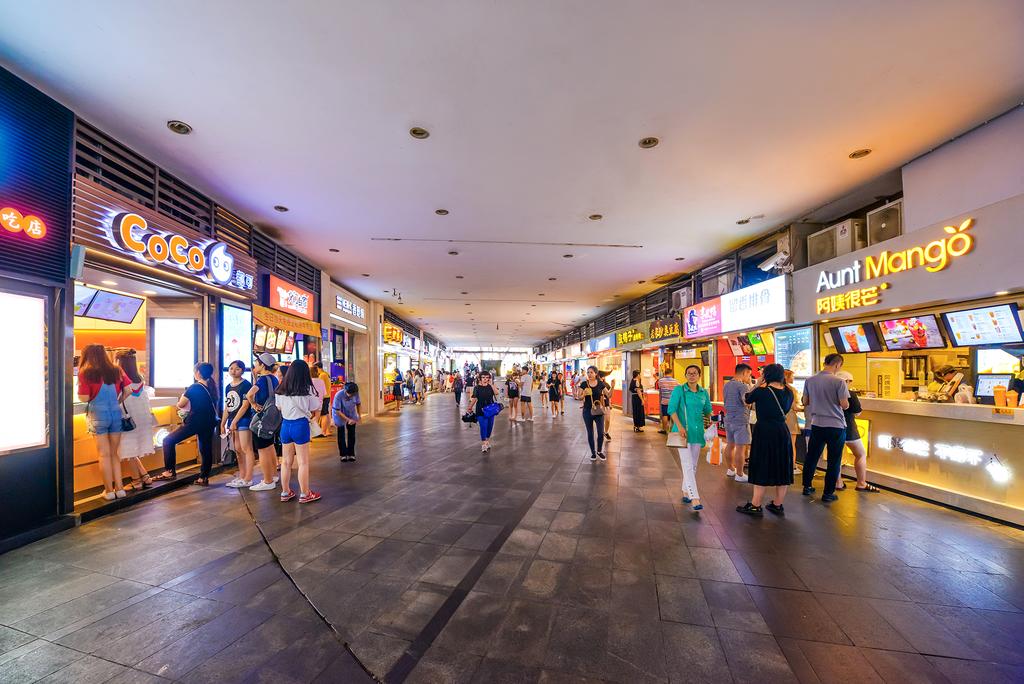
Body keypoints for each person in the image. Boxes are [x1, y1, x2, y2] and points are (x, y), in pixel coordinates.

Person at [737, 364, 794, 516]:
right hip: (782, 431)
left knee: (762, 464)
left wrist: (757, 384)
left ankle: (755, 505)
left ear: (766, 375)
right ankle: (777, 504)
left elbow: (746, 399)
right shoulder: (789, 392)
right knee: (782, 466)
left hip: (764, 431)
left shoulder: (761, 392)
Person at [77, 344, 130, 500]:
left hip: (98, 415)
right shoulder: (116, 370)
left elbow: (84, 398)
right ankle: (120, 489)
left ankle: (109, 492)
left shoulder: (85, 372)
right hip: (115, 413)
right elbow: (128, 390)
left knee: (104, 455)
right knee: (114, 454)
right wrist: (117, 401)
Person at [158, 362, 218, 486]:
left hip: (194, 422)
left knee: (168, 440)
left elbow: (180, 404)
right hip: (209, 422)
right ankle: (203, 477)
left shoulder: (194, 387)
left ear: (198, 373)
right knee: (205, 449)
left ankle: (169, 471)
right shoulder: (212, 387)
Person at [801, 353, 851, 502]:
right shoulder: (839, 382)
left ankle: (807, 486)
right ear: (837, 364)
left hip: (817, 423)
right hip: (836, 425)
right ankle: (828, 493)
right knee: (834, 460)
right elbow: (844, 405)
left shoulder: (810, 380)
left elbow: (805, 401)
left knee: (812, 456)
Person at [667, 365, 713, 511]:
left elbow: (708, 410)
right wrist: (680, 426)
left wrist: (712, 421)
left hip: (698, 433)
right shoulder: (679, 390)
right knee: (687, 464)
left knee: (693, 465)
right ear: (685, 375)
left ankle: (686, 490)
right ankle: (695, 498)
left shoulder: (703, 393)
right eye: (689, 373)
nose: (692, 375)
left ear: (699, 375)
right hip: (683, 433)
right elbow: (671, 409)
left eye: (694, 373)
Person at [276, 360, 322, 503]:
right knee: (303, 462)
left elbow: (279, 407)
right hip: (300, 425)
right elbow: (315, 406)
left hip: (285, 425)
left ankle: (285, 492)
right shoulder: (307, 389)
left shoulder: (281, 389)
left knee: (286, 462)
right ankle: (305, 493)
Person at [114, 349, 156, 491]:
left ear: (119, 362)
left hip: (128, 418)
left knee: (128, 450)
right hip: (141, 417)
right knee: (131, 449)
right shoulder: (139, 378)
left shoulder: (120, 379)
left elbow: (117, 398)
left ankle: (136, 481)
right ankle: (145, 476)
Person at [835, 371, 879, 493]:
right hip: (848, 428)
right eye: (850, 381)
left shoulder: (829, 393)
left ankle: (838, 483)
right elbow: (857, 412)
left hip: (832, 428)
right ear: (846, 381)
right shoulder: (850, 394)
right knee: (860, 454)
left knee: (836, 456)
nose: (850, 383)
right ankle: (861, 483)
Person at [246, 352, 281, 492]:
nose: (255, 364)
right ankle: (274, 476)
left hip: (261, 419)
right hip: (271, 418)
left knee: (262, 450)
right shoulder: (273, 379)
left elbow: (249, 394)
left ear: (262, 365)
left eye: (257, 362)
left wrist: (253, 404)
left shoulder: (262, 380)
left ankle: (267, 481)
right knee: (269, 446)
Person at [222, 360, 255, 488]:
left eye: (237, 369)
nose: (233, 371)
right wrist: (223, 423)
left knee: (247, 448)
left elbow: (245, 405)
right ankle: (242, 475)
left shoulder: (246, 385)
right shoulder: (228, 387)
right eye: (231, 368)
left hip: (244, 419)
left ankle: (248, 478)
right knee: (238, 449)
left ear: (242, 370)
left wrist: (235, 421)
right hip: (232, 420)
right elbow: (228, 406)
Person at [723, 364, 754, 483]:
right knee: (741, 448)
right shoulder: (743, 386)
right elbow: (747, 402)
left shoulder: (727, 385)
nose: (749, 377)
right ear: (745, 372)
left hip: (728, 418)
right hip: (741, 420)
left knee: (730, 445)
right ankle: (740, 474)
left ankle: (730, 469)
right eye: (749, 374)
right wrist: (751, 387)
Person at [577, 366, 610, 462]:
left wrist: (612, 386)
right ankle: (593, 452)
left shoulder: (600, 383)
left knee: (600, 432)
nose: (589, 374)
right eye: (588, 372)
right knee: (590, 432)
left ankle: (599, 451)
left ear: (596, 373)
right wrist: (584, 394)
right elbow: (579, 397)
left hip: (598, 411)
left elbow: (608, 395)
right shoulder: (584, 384)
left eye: (591, 372)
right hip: (587, 411)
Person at [469, 370, 498, 452]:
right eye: (483, 377)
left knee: (490, 426)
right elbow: (474, 398)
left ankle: (487, 440)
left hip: (490, 410)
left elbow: (497, 393)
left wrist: (491, 384)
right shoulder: (477, 388)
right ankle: (484, 443)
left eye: (487, 377)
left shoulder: (490, 386)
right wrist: (470, 407)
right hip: (480, 410)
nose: (485, 379)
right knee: (483, 426)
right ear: (480, 378)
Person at [333, 381, 361, 462]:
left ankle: (351, 453)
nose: (351, 395)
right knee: (341, 433)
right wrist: (348, 420)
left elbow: (358, 403)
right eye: (350, 394)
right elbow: (337, 411)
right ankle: (343, 454)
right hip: (339, 414)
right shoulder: (338, 395)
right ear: (345, 390)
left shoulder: (355, 393)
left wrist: (359, 415)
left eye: (353, 394)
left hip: (351, 412)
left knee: (352, 433)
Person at [783, 369, 802, 475]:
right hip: (790, 418)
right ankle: (792, 466)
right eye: (792, 376)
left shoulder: (776, 388)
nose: (793, 378)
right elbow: (795, 407)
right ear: (786, 377)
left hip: (780, 419)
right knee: (791, 444)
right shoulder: (791, 390)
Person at [312, 362, 333, 437]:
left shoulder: (322, 375)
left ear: (317, 367)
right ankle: (327, 431)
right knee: (326, 414)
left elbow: (319, 388)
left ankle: (323, 432)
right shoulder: (325, 374)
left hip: (324, 397)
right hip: (326, 396)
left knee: (323, 415)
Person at [656, 368, 678, 434]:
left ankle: (665, 429)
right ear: (671, 373)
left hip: (664, 401)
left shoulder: (660, 381)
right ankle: (673, 429)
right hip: (673, 401)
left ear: (665, 373)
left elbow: (660, 389)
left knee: (665, 415)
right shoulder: (675, 381)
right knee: (673, 415)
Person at [310, 364, 328, 438]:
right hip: (319, 403)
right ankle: (318, 432)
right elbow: (324, 393)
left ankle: (311, 434)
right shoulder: (321, 381)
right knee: (317, 418)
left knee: (309, 418)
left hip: (310, 403)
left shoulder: (309, 381)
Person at [598, 370, 614, 439]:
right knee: (600, 421)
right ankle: (600, 433)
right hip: (598, 405)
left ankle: (606, 432)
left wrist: (610, 403)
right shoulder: (595, 384)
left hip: (606, 404)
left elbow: (609, 395)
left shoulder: (606, 384)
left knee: (607, 420)